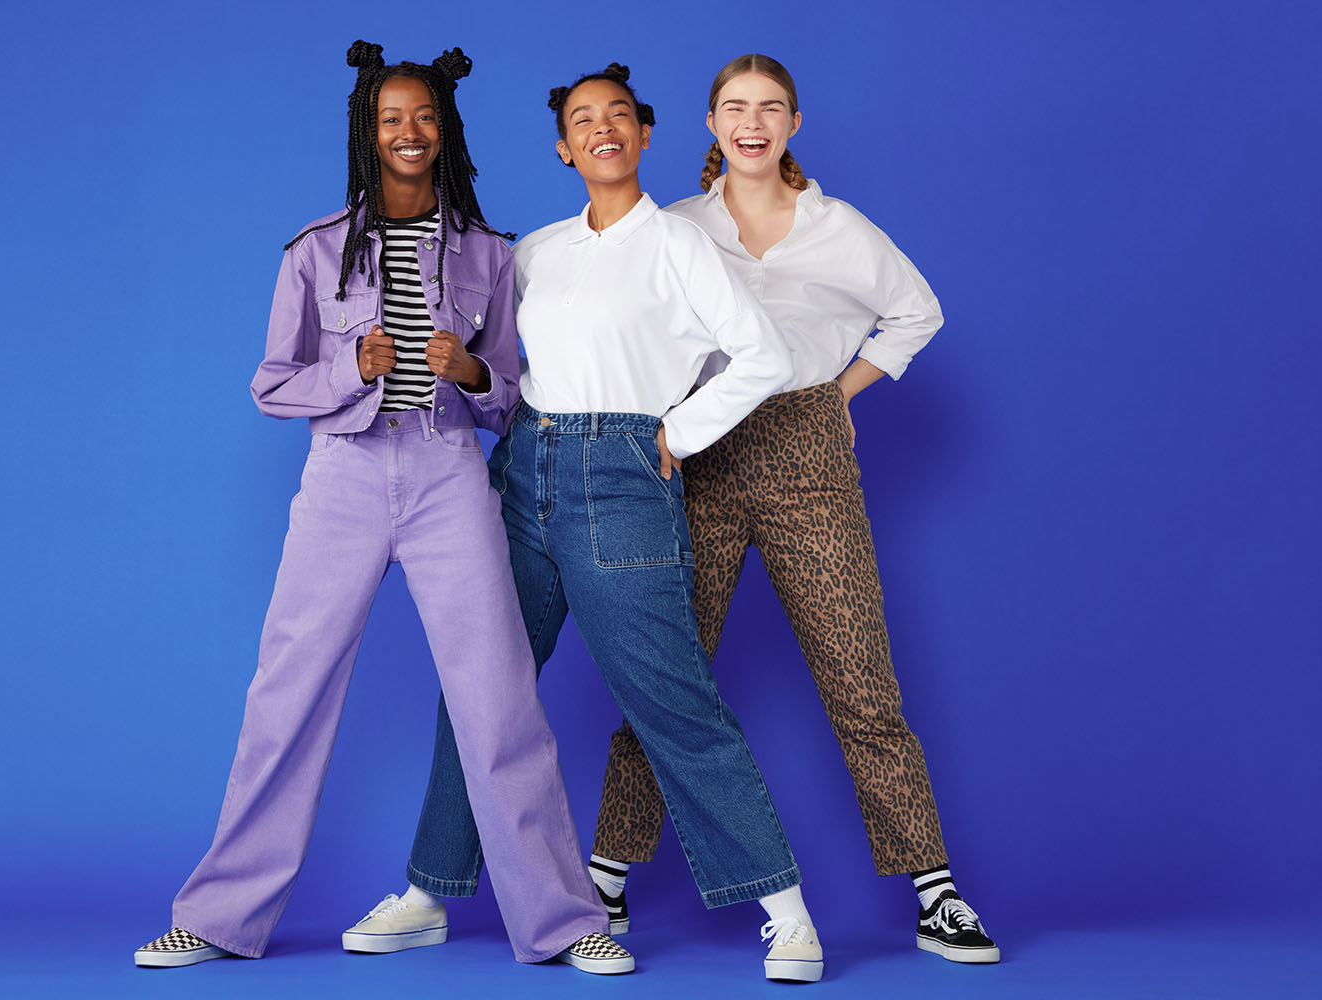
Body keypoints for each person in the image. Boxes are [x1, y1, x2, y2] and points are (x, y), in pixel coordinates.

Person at [132, 40, 630, 975]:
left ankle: (564, 922)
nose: (409, 131)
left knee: (499, 698)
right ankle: (220, 917)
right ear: (367, 131)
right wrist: (347, 368)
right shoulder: (314, 250)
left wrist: (471, 370)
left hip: (448, 475)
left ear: (446, 132)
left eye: (425, 116)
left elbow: (511, 399)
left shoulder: (491, 254)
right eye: (391, 117)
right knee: (287, 692)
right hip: (344, 478)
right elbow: (271, 385)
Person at [376, 63, 827, 984]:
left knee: (674, 699)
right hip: (523, 468)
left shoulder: (679, 243)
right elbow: (496, 368)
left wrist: (676, 434)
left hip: (621, 477)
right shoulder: (537, 252)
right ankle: (428, 891)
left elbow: (765, 356)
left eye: (618, 115)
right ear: (563, 148)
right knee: (481, 687)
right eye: (583, 120)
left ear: (644, 134)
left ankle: (787, 915)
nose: (602, 129)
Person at [587, 53, 1000, 966]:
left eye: (770, 108)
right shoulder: (677, 227)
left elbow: (917, 312)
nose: (753, 123)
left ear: (794, 124)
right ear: (710, 123)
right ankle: (605, 877)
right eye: (735, 108)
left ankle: (936, 895)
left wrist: (839, 395)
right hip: (697, 451)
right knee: (665, 673)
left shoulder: (838, 228)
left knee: (862, 679)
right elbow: (628, 331)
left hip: (807, 452)